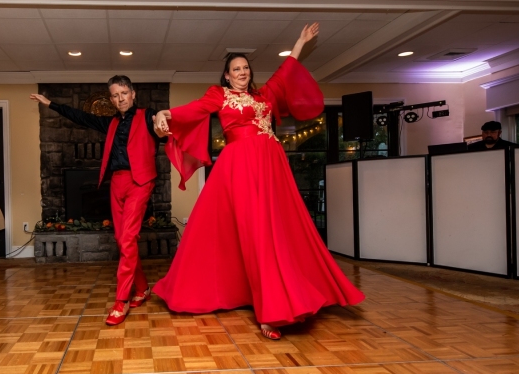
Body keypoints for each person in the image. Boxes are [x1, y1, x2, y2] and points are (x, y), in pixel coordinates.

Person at [152, 23, 364, 340]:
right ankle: (270, 312)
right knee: (255, 233)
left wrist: (300, 43)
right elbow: (194, 110)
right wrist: (164, 113)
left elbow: (285, 72)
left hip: (271, 166)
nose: (242, 72)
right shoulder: (218, 95)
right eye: (236, 69)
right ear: (226, 75)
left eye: (246, 68)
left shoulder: (264, 95)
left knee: (278, 230)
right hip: (239, 167)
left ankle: (284, 296)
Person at [30, 76, 164, 326]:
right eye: (114, 95)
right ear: (111, 99)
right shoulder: (110, 123)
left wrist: (163, 127)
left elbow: (164, 132)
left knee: (127, 239)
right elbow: (81, 117)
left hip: (141, 181)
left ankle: (121, 300)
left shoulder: (148, 115)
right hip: (117, 182)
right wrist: (50, 104)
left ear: (133, 94)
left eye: (124, 93)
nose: (120, 99)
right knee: (121, 240)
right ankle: (143, 287)